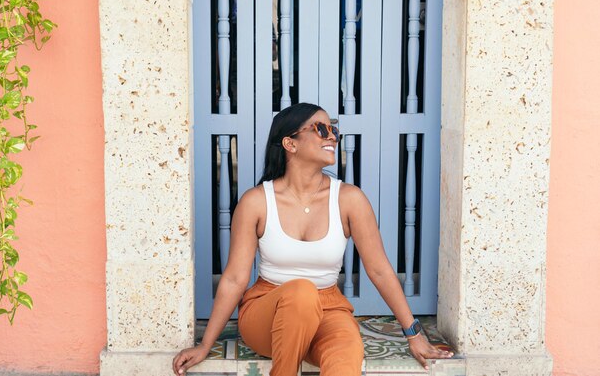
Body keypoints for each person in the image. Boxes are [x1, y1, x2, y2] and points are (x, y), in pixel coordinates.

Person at [173, 103, 453, 376]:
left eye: (333, 128)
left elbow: (379, 269)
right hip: (267, 311)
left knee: (345, 355)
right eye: (320, 128)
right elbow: (234, 279)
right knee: (301, 293)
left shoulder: (349, 199)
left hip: (328, 308)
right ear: (290, 144)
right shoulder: (257, 201)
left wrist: (414, 334)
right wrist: (205, 345)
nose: (331, 135)